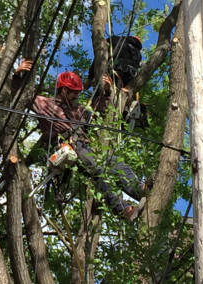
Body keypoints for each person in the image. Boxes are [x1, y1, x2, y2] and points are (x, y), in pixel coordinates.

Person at [13, 59, 146, 221]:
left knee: (115, 162)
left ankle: (140, 190)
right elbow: (20, 95)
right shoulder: (44, 104)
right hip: (65, 147)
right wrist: (16, 75)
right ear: (62, 90)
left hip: (84, 148)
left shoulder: (78, 109)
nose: (76, 95)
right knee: (98, 170)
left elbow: (100, 112)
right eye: (73, 92)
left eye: (77, 92)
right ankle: (123, 210)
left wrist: (106, 92)